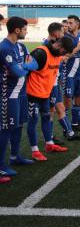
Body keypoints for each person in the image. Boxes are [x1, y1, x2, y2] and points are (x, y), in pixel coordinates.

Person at [26, 36, 75, 161]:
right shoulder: (40, 52)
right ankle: (35, 150)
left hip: (46, 94)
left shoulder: (57, 55)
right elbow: (26, 70)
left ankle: (49, 144)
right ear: (59, 46)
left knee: (47, 117)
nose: (63, 55)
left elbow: (52, 74)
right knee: (33, 120)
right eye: (63, 52)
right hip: (32, 93)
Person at [0, 17, 34, 182]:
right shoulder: (5, 48)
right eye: (25, 29)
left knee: (19, 125)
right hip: (9, 95)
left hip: (21, 93)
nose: (27, 32)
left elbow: (34, 65)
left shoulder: (21, 46)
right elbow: (18, 72)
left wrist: (25, 66)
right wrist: (25, 67)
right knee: (6, 129)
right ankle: (1, 165)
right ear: (17, 30)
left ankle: (15, 156)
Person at [43, 23, 80, 145]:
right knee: (52, 111)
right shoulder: (49, 46)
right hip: (50, 84)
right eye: (61, 31)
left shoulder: (53, 44)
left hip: (54, 81)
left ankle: (65, 134)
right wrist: (76, 49)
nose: (63, 33)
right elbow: (61, 58)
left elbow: (62, 58)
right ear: (55, 33)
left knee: (57, 109)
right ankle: (52, 138)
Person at [63, 15, 80, 132]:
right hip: (68, 75)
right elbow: (64, 57)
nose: (68, 25)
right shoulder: (65, 39)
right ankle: (66, 129)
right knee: (67, 102)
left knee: (78, 99)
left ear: (77, 25)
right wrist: (77, 48)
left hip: (79, 74)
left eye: (70, 23)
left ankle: (74, 124)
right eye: (67, 23)